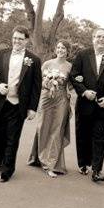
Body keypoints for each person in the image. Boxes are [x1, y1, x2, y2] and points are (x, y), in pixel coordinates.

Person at [0, 26, 42, 182]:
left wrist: (32, 108)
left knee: (12, 139)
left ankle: (7, 170)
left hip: (18, 106)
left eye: (20, 39)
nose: (17, 41)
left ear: (26, 40)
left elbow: (36, 87)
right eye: (15, 38)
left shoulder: (34, 60)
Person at [70, 28, 104, 183]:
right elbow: (73, 76)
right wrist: (84, 92)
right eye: (98, 36)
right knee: (82, 134)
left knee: (99, 136)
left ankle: (97, 169)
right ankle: (83, 163)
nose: (101, 39)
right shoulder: (82, 55)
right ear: (93, 38)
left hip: (103, 106)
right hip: (85, 104)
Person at [28, 40, 72, 178]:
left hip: (61, 99)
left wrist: (67, 89)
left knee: (57, 129)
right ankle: (37, 157)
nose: (60, 50)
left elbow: (72, 84)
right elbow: (39, 81)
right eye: (58, 47)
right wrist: (48, 82)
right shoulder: (47, 64)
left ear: (67, 51)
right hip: (46, 97)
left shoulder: (70, 66)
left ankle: (50, 164)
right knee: (43, 127)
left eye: (63, 48)